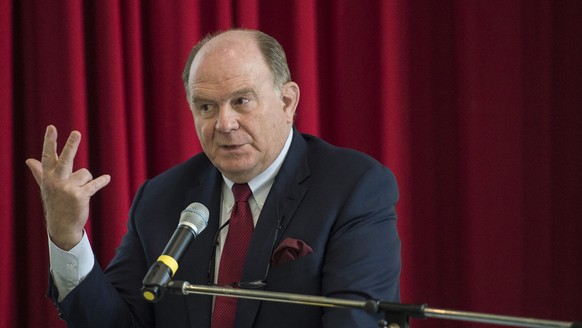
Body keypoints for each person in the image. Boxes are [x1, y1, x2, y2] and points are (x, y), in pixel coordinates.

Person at [26, 29, 401, 328]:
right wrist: (67, 236)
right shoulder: (161, 198)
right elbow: (118, 322)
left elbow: (355, 318)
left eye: (241, 101)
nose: (223, 123)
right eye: (206, 106)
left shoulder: (354, 187)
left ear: (287, 102)